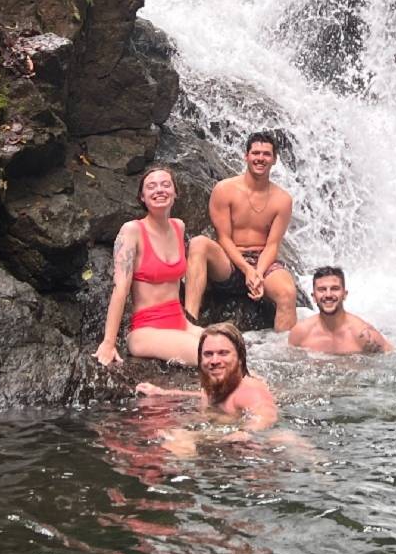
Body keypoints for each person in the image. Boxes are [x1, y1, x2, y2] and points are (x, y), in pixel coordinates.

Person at [185, 132, 297, 331]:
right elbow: (224, 238)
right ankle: (188, 323)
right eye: (256, 153)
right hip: (229, 261)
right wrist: (246, 269)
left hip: (262, 262)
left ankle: (285, 346)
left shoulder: (283, 200)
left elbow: (272, 245)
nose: (260, 158)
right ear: (246, 156)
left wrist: (258, 273)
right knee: (198, 243)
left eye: (266, 154)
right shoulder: (224, 190)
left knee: (287, 292)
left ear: (274, 160)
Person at [95, 166, 203, 366]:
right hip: (146, 330)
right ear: (142, 197)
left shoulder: (179, 227)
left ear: (175, 192)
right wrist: (108, 343)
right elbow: (120, 289)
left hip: (181, 322)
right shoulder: (132, 231)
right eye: (151, 186)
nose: (159, 190)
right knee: (208, 353)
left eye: (166, 184)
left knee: (234, 346)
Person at [136, 322, 278, 432]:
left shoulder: (251, 392)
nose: (214, 360)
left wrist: (244, 433)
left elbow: (266, 417)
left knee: (179, 437)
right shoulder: (220, 385)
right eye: (208, 354)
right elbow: (205, 396)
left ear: (240, 358)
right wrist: (162, 393)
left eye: (223, 353)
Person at [288, 266, 393, 354]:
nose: (328, 295)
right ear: (314, 297)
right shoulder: (300, 333)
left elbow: (390, 356)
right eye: (322, 289)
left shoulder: (364, 336)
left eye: (335, 289)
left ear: (344, 295)